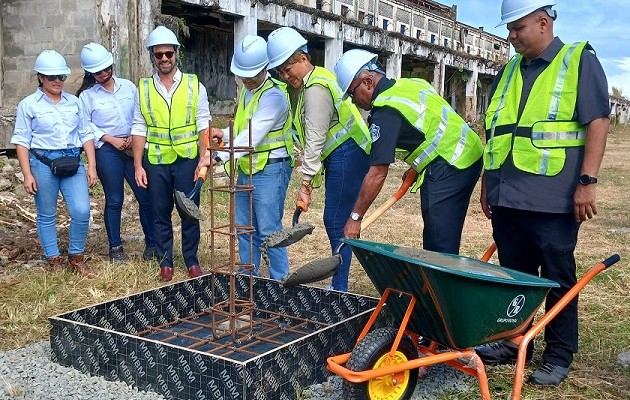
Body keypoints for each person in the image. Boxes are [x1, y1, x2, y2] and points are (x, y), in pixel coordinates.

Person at [475, 0, 610, 386]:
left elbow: (597, 121)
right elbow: (498, 130)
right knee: (515, 277)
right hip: (507, 195)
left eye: (517, 28)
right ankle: (513, 341)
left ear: (543, 22)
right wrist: (489, 184)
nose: (511, 36)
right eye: (509, 29)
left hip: (553, 197)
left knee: (556, 277)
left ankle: (559, 353)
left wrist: (587, 182)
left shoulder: (577, 60)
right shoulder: (509, 70)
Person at [333, 49, 483, 255]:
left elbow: (377, 173)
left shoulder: (385, 112)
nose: (353, 100)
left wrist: (355, 218)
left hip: (451, 164)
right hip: (471, 152)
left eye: (351, 93)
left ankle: (440, 280)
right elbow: (428, 126)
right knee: (442, 230)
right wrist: (416, 166)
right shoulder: (411, 84)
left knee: (438, 240)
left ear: (367, 82)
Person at [266, 27, 372, 292]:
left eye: (287, 68)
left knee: (337, 220)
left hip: (348, 154)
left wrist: (305, 184)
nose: (285, 75)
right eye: (280, 72)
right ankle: (339, 281)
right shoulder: (317, 79)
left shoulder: (315, 89)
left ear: (303, 58)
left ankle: (340, 286)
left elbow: (315, 139)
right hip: (345, 154)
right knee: (337, 219)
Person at [197, 35, 293, 280]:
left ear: (265, 68)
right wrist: (225, 134)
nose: (248, 80)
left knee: (269, 229)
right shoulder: (248, 92)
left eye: (253, 74)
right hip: (247, 167)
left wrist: (216, 157)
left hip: (271, 169)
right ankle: (246, 276)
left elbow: (252, 137)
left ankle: (280, 280)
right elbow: (243, 130)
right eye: (243, 75)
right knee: (243, 227)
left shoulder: (274, 97)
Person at [131, 26, 211, 282]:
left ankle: (191, 259)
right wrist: (137, 166)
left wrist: (204, 157)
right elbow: (138, 126)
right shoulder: (142, 88)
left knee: (189, 211)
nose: (164, 59)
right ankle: (165, 261)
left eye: (168, 53)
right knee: (160, 211)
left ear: (177, 53)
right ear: (152, 57)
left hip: (187, 159)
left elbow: (203, 122)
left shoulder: (193, 85)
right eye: (159, 55)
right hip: (155, 160)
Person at [11, 50, 98, 276]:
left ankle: (76, 256)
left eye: (61, 77)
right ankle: (54, 258)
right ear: (40, 77)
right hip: (43, 162)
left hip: (72, 160)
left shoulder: (74, 102)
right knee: (46, 214)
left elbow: (85, 133)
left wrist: (91, 165)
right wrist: (27, 174)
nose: (57, 81)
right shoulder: (28, 105)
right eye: (52, 77)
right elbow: (21, 141)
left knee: (81, 210)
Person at [77, 42, 156, 264]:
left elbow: (140, 113)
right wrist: (109, 138)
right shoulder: (87, 97)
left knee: (145, 195)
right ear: (90, 73)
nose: (103, 74)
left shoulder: (129, 86)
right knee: (114, 199)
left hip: (133, 146)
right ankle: (116, 247)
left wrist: (134, 136)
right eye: (97, 72)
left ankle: (152, 243)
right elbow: (85, 126)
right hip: (107, 150)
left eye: (106, 69)